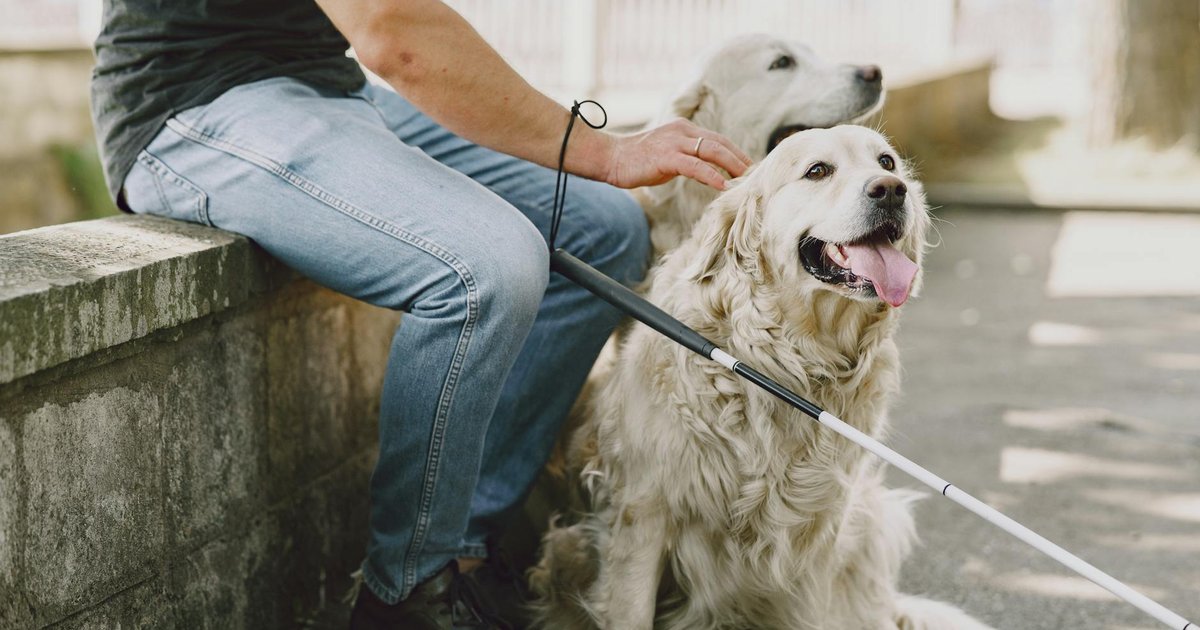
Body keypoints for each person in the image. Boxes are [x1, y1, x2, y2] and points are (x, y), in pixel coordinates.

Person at [91, 0, 750, 627]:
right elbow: (393, 31)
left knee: (604, 231)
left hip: (326, 84)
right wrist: (606, 152)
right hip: (193, 99)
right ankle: (405, 595)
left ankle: (464, 551)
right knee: (486, 266)